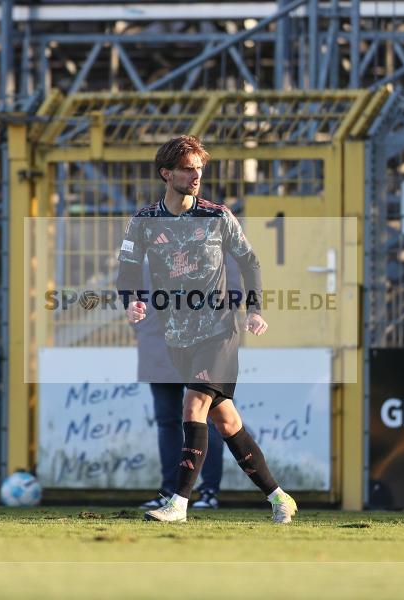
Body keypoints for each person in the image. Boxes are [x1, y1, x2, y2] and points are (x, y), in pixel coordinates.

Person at [116, 135, 297, 524]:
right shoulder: (144, 223)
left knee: (194, 404)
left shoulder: (217, 217)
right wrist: (131, 300)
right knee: (226, 422)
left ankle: (178, 502)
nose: (195, 175)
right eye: (187, 168)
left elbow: (250, 262)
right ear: (167, 173)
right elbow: (127, 269)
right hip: (177, 336)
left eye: (199, 167)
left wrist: (255, 309)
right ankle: (280, 497)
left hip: (219, 330)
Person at [134, 258, 224, 510]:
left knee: (208, 419)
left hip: (200, 350)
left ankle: (208, 491)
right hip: (158, 349)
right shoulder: (147, 258)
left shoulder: (212, 251)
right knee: (168, 421)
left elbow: (230, 296)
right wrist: (145, 329)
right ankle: (170, 491)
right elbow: (132, 299)